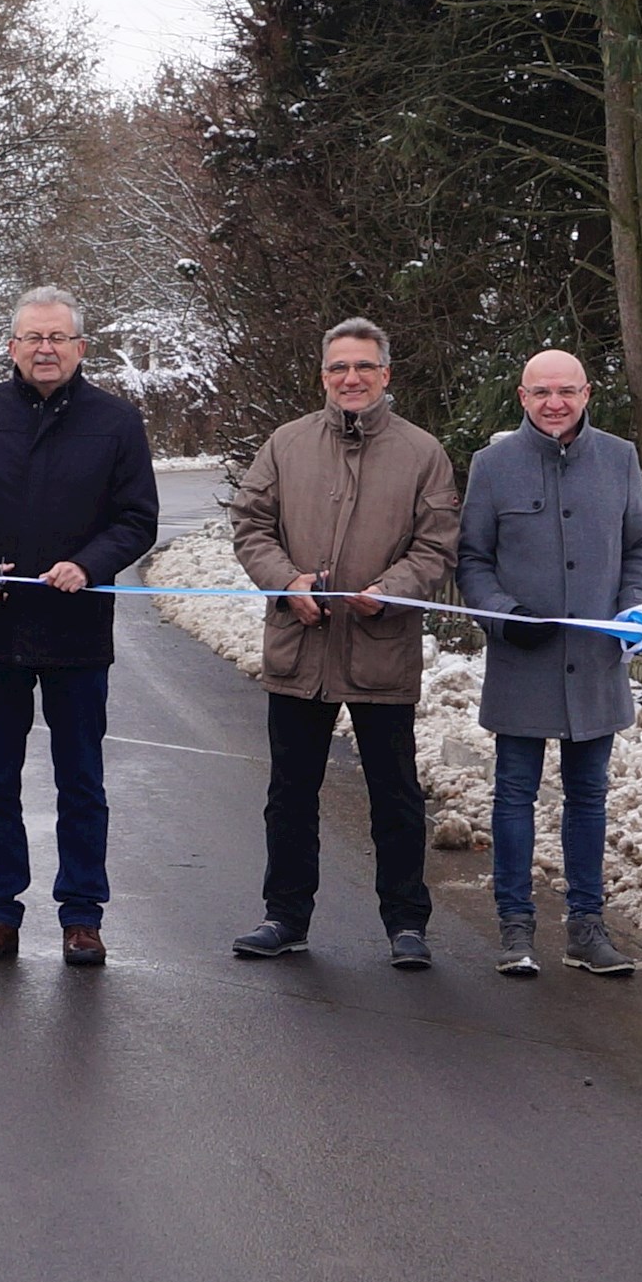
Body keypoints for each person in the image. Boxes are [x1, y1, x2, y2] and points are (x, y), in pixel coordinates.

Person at [0, 286, 159, 968]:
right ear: (13, 347)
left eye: (58, 338)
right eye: (32, 338)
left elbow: (137, 518)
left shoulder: (116, 422)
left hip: (77, 630)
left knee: (80, 780)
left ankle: (82, 915)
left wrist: (91, 564)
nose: (45, 349)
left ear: (81, 347)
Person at [227, 317, 457, 967]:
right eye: (338, 368)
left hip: (381, 648)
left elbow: (438, 542)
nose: (349, 378)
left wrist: (393, 586)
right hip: (300, 648)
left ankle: (406, 922)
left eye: (362, 367)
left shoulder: (422, 452)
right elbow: (250, 525)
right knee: (291, 793)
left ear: (385, 374)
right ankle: (285, 916)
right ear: (323, 375)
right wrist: (284, 581)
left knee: (396, 793)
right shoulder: (286, 444)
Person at [454, 347, 642, 977]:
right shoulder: (492, 466)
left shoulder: (620, 459)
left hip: (595, 665)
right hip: (523, 662)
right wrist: (500, 610)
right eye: (542, 392)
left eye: (566, 391)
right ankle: (515, 927)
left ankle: (586, 928)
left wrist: (636, 607)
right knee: (513, 794)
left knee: (588, 797)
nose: (555, 403)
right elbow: (472, 558)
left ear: (587, 393)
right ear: (522, 397)